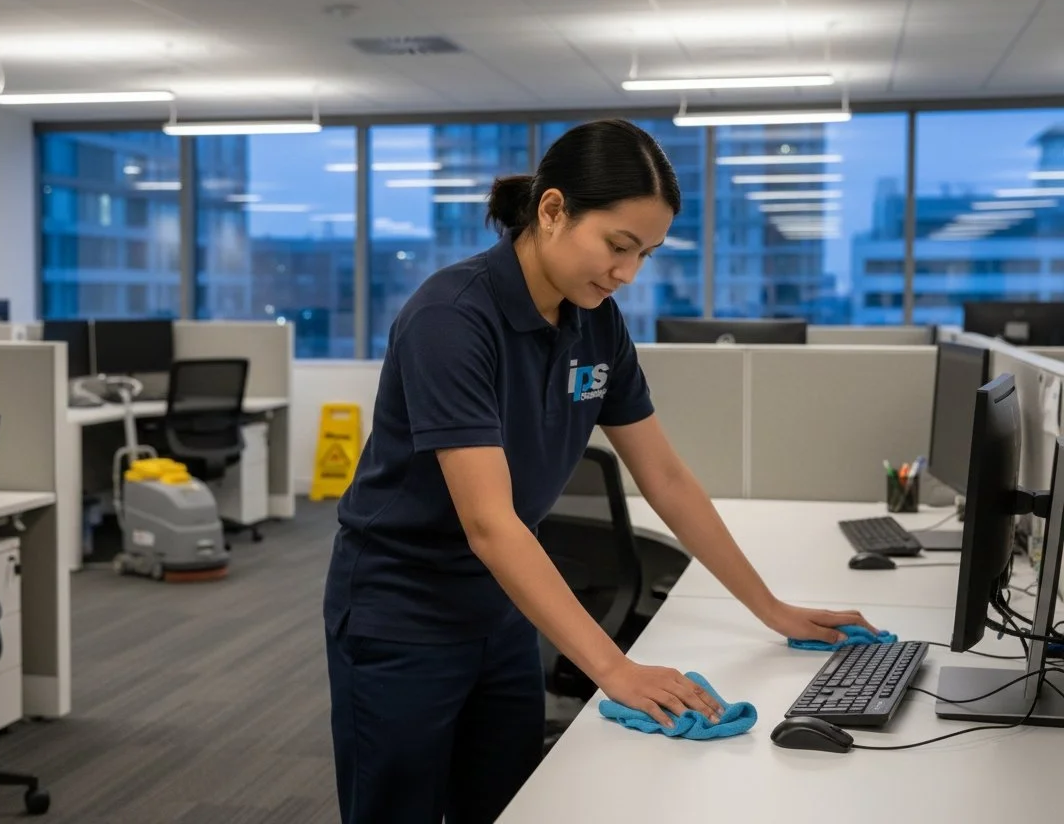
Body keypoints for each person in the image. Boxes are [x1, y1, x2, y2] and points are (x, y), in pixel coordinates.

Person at [323, 118, 877, 824]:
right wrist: (613, 668)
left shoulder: (597, 321)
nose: (626, 274)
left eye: (644, 254)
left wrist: (771, 609)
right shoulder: (451, 318)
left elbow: (666, 478)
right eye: (618, 247)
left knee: (509, 803)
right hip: (402, 609)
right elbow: (491, 524)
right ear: (552, 211)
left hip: (505, 606)